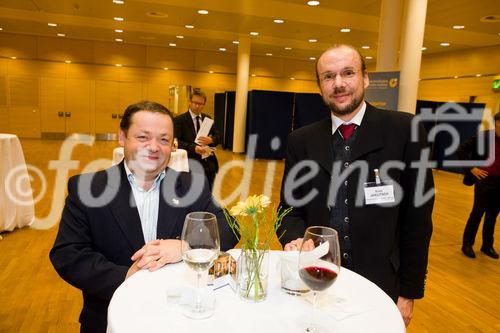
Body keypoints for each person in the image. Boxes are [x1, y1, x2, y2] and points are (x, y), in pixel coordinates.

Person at [278, 44, 434, 327]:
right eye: (328, 76)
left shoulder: (405, 131)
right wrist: (294, 238)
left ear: (365, 78)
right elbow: (289, 210)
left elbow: (418, 220)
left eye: (348, 73)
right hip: (318, 280)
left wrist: (409, 293)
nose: (338, 84)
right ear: (319, 86)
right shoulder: (300, 141)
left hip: (382, 284)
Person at [49, 101, 237, 333]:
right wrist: (127, 276)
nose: (154, 147)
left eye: (164, 139)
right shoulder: (87, 188)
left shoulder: (191, 186)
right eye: (142, 137)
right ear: (122, 137)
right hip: (110, 314)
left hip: (179, 315)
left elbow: (229, 227)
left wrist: (185, 246)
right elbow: (68, 254)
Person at [458, 112, 500, 259]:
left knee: (492, 216)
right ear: (496, 123)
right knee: (477, 213)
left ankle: (487, 246)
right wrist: (472, 168)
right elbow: (461, 150)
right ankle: (467, 245)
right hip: (484, 181)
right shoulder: (484, 136)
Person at [174, 89, 221, 190]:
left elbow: (218, 137)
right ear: (189, 102)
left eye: (201, 104)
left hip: (209, 163)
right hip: (190, 163)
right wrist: (194, 148)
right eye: (195, 103)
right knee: (192, 193)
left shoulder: (207, 118)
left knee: (208, 192)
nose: (197, 106)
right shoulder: (179, 120)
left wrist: (211, 140)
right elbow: (177, 142)